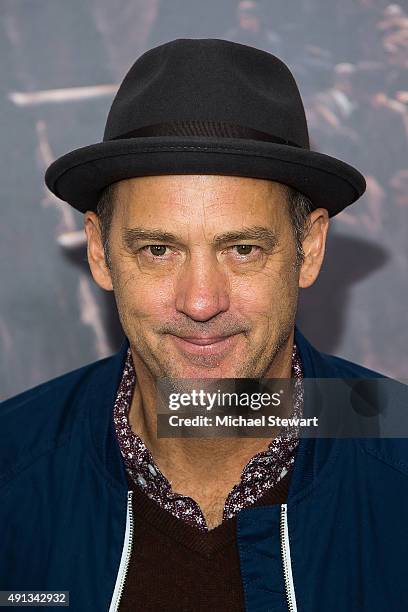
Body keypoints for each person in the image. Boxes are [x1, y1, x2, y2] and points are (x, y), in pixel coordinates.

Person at [1, 38, 407, 612]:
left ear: (309, 249)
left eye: (243, 248)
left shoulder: (398, 453)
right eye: (158, 250)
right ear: (99, 252)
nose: (199, 301)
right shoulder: (13, 464)